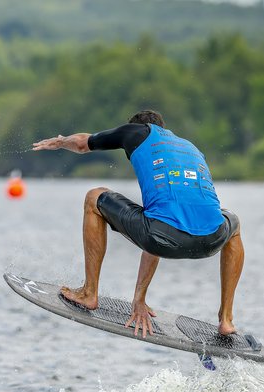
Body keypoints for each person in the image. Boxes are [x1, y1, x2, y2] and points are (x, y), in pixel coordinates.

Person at [32, 110, 244, 338]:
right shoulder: (190, 148)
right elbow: (162, 221)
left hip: (161, 235)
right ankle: (226, 318)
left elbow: (84, 143)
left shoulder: (136, 131)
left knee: (94, 196)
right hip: (212, 239)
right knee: (233, 223)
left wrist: (62, 141)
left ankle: (89, 293)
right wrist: (138, 300)